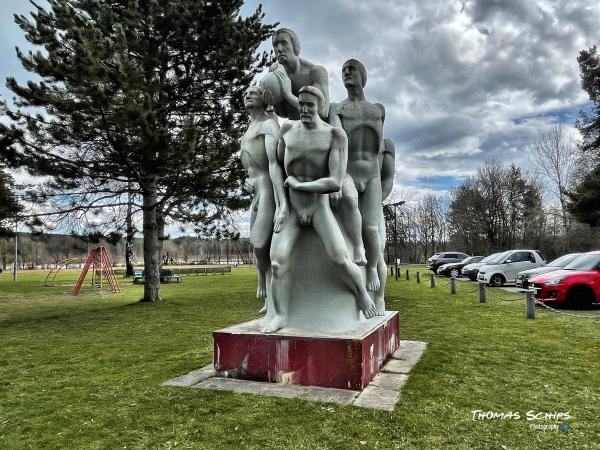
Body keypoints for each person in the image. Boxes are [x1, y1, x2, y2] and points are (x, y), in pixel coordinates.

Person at [263, 85, 377, 333]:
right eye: (301, 104)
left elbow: (335, 181)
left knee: (340, 260)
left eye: (309, 105)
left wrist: (299, 184)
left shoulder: (334, 135)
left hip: (318, 207)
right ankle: (281, 315)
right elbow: (278, 171)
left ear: (319, 106)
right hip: (292, 208)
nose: (304, 109)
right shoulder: (288, 130)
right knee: (277, 263)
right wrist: (282, 205)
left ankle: (363, 295)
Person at [329, 59, 390, 312]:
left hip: (372, 175)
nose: (346, 73)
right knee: (350, 200)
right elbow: (337, 145)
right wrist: (336, 180)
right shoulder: (337, 108)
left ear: (362, 76)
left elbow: (378, 148)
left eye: (351, 69)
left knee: (372, 228)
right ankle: (357, 249)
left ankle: (374, 269)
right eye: (343, 71)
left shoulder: (378, 110)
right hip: (349, 173)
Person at [241, 86, 288, 307]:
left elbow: (275, 165)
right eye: (245, 94)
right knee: (257, 245)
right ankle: (267, 289)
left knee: (261, 243)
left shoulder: (268, 125)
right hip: (256, 190)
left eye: (253, 93)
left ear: (263, 99)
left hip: (268, 188)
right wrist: (246, 182)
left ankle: (271, 294)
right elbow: (250, 168)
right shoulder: (248, 130)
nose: (247, 95)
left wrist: (282, 203)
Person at [261, 28, 330, 120]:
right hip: (293, 130)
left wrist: (288, 95)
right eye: (275, 45)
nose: (279, 49)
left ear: (295, 46)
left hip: (317, 131)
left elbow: (323, 112)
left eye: (284, 43)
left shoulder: (316, 72)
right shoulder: (275, 73)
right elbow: (284, 114)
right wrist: (273, 102)